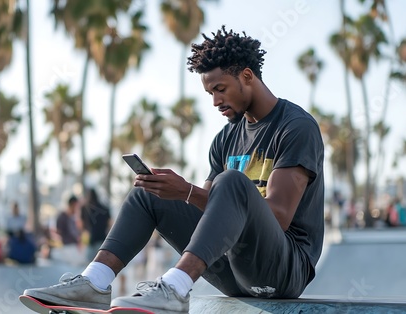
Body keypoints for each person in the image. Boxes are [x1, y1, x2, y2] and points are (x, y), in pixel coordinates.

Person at [21, 26, 325, 313]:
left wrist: (189, 191)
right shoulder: (226, 137)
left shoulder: (295, 127)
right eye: (210, 94)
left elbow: (280, 217)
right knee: (150, 193)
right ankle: (94, 282)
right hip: (233, 271)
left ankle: (175, 289)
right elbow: (212, 213)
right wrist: (178, 193)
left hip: (282, 271)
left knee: (230, 182)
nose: (216, 101)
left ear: (247, 76)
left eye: (220, 89)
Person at [51, 195, 84, 265]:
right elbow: (58, 232)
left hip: (74, 247)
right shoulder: (62, 217)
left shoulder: (73, 218)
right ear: (73, 204)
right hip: (67, 248)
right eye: (76, 206)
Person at [81, 188, 112, 262]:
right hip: (102, 239)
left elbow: (81, 224)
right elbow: (110, 223)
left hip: (90, 240)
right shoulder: (104, 208)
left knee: (88, 264)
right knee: (100, 262)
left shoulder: (84, 208)